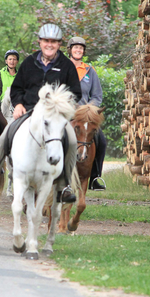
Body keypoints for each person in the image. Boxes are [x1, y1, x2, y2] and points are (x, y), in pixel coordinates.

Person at [0, 23, 82, 203]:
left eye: (54, 42)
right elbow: (17, 88)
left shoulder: (67, 66)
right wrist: (17, 104)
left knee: (71, 140)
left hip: (54, 116)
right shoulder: (28, 63)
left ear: (59, 44)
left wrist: (62, 107)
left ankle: (64, 185)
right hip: (29, 113)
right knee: (4, 137)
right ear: (40, 42)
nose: (49, 44)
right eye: (46, 41)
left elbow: (76, 93)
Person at [67, 36, 107, 191]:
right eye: (76, 47)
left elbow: (97, 96)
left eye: (81, 48)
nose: (78, 50)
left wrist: (89, 110)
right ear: (70, 49)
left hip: (84, 116)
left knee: (101, 141)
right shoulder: (62, 68)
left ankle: (95, 177)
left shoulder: (90, 71)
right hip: (67, 114)